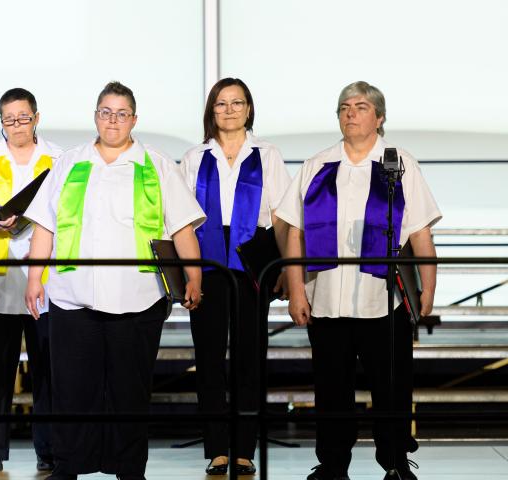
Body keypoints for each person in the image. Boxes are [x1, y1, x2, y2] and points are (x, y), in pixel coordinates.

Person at [23, 81, 205, 480]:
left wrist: (194, 276)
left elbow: (183, 229)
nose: (113, 120)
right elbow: (44, 227)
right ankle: (69, 464)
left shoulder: (156, 164)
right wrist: (35, 278)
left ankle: (128, 468)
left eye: (122, 113)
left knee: (130, 390)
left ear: (134, 120)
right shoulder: (69, 162)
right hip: (74, 297)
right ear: (95, 116)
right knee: (72, 390)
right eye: (106, 112)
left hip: (138, 298)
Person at [276, 81, 440, 480]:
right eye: (345, 107)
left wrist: (429, 290)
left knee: (391, 387)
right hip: (326, 298)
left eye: (361, 107)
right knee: (332, 389)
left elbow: (420, 232)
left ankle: (396, 463)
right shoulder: (318, 164)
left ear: (379, 117)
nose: (351, 113)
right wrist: (297, 290)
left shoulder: (399, 162)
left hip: (383, 300)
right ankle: (332, 464)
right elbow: (294, 230)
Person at [179, 77, 291, 476]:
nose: (229, 110)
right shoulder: (195, 157)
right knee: (208, 358)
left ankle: (244, 448)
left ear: (249, 108)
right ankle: (216, 448)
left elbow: (280, 217)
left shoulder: (268, 155)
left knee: (249, 358)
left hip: (251, 260)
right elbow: (181, 220)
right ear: (211, 111)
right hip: (207, 263)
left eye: (236, 103)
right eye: (221, 104)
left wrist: (283, 268)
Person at [0, 87, 61, 474]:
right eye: (8, 119)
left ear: (36, 117)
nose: (16, 125)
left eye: (23, 117)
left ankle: (48, 451)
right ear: (0, 121)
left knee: (46, 370)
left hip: (48, 280)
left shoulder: (58, 158)